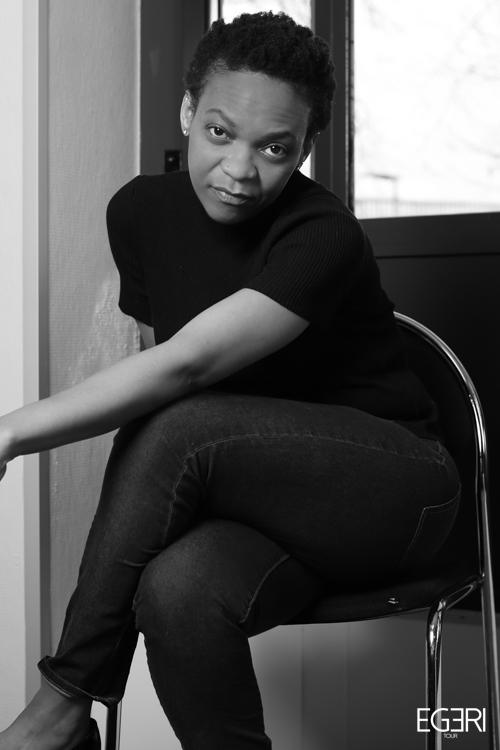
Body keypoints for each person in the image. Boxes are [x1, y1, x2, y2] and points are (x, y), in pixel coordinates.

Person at [0, 11, 460, 750]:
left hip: (392, 494)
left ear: (305, 148)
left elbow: (188, 367)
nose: (241, 171)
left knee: (182, 423)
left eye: (275, 148)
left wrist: (10, 433)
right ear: (188, 112)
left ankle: (60, 707)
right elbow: (162, 377)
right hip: (263, 513)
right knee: (176, 589)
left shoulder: (324, 233)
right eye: (219, 132)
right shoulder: (140, 213)